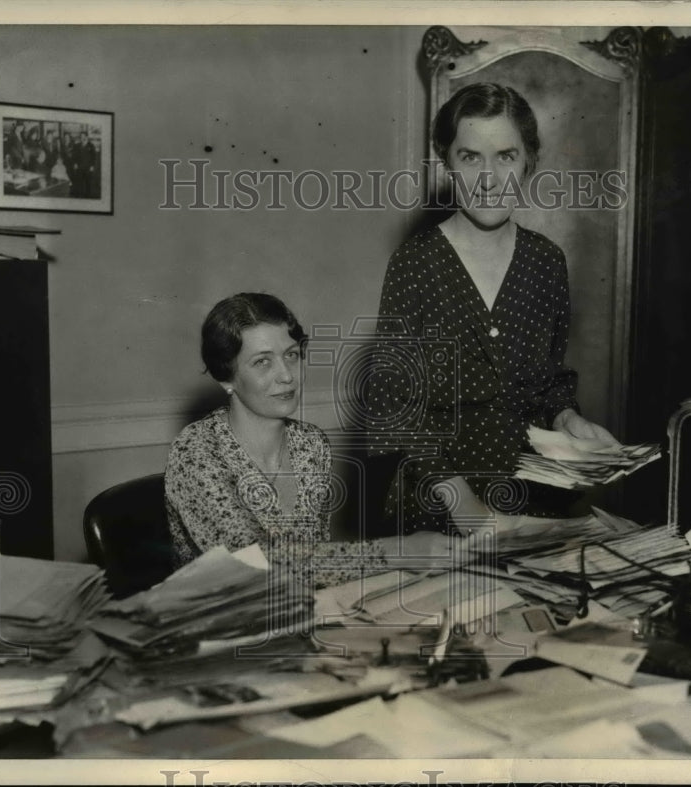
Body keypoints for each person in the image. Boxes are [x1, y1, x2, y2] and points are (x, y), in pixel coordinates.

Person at [366, 82, 617, 535]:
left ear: (528, 162)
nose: (488, 178)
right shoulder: (416, 262)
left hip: (533, 497)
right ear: (446, 161)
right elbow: (391, 402)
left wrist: (568, 418)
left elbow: (548, 382)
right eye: (470, 157)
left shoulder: (546, 262)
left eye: (506, 156)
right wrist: (460, 500)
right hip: (438, 500)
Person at [164, 292, 465, 588]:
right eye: (262, 362)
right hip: (218, 624)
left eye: (292, 355)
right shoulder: (197, 449)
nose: (286, 376)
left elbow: (316, 567)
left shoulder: (311, 444)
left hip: (300, 616)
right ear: (226, 378)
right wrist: (397, 552)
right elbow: (253, 565)